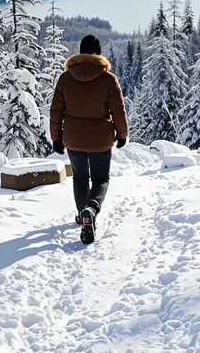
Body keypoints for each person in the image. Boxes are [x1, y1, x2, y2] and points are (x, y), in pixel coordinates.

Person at [49, 34, 129, 243]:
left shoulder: (65, 78)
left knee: (80, 177)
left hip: (73, 139)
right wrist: (122, 134)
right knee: (100, 179)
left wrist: (56, 137)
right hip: (100, 141)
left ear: (80, 51)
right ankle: (91, 209)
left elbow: (56, 111)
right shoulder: (108, 79)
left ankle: (82, 215)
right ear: (99, 53)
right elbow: (118, 111)